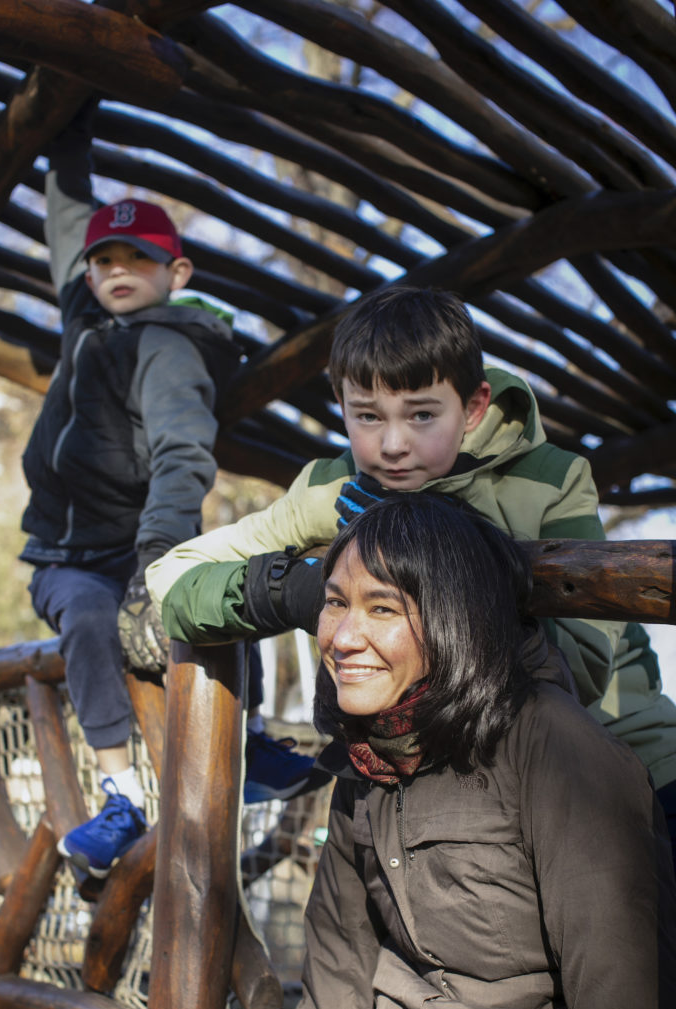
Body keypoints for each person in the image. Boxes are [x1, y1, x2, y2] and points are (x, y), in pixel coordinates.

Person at [129, 495, 676, 1009]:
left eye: (383, 609)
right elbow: (337, 974)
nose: (344, 636)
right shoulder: (372, 755)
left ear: (454, 617)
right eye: (334, 604)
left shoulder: (555, 749)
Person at [145, 284, 676, 860]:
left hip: (615, 756)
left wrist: (442, 558)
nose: (393, 444)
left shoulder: (552, 480)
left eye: (422, 414)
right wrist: (297, 591)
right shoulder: (331, 490)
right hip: (438, 784)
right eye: (367, 416)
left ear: (472, 407)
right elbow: (174, 575)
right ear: (342, 406)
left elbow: (583, 668)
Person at [20, 112, 315, 878]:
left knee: (198, 601)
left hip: (139, 547)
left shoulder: (169, 346)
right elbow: (67, 228)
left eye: (139, 258)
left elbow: (183, 455)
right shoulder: (85, 320)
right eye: (106, 259)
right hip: (67, 555)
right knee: (85, 616)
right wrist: (65, 139)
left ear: (176, 275)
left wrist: (160, 561)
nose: (118, 269)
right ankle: (121, 797)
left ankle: (244, 748)